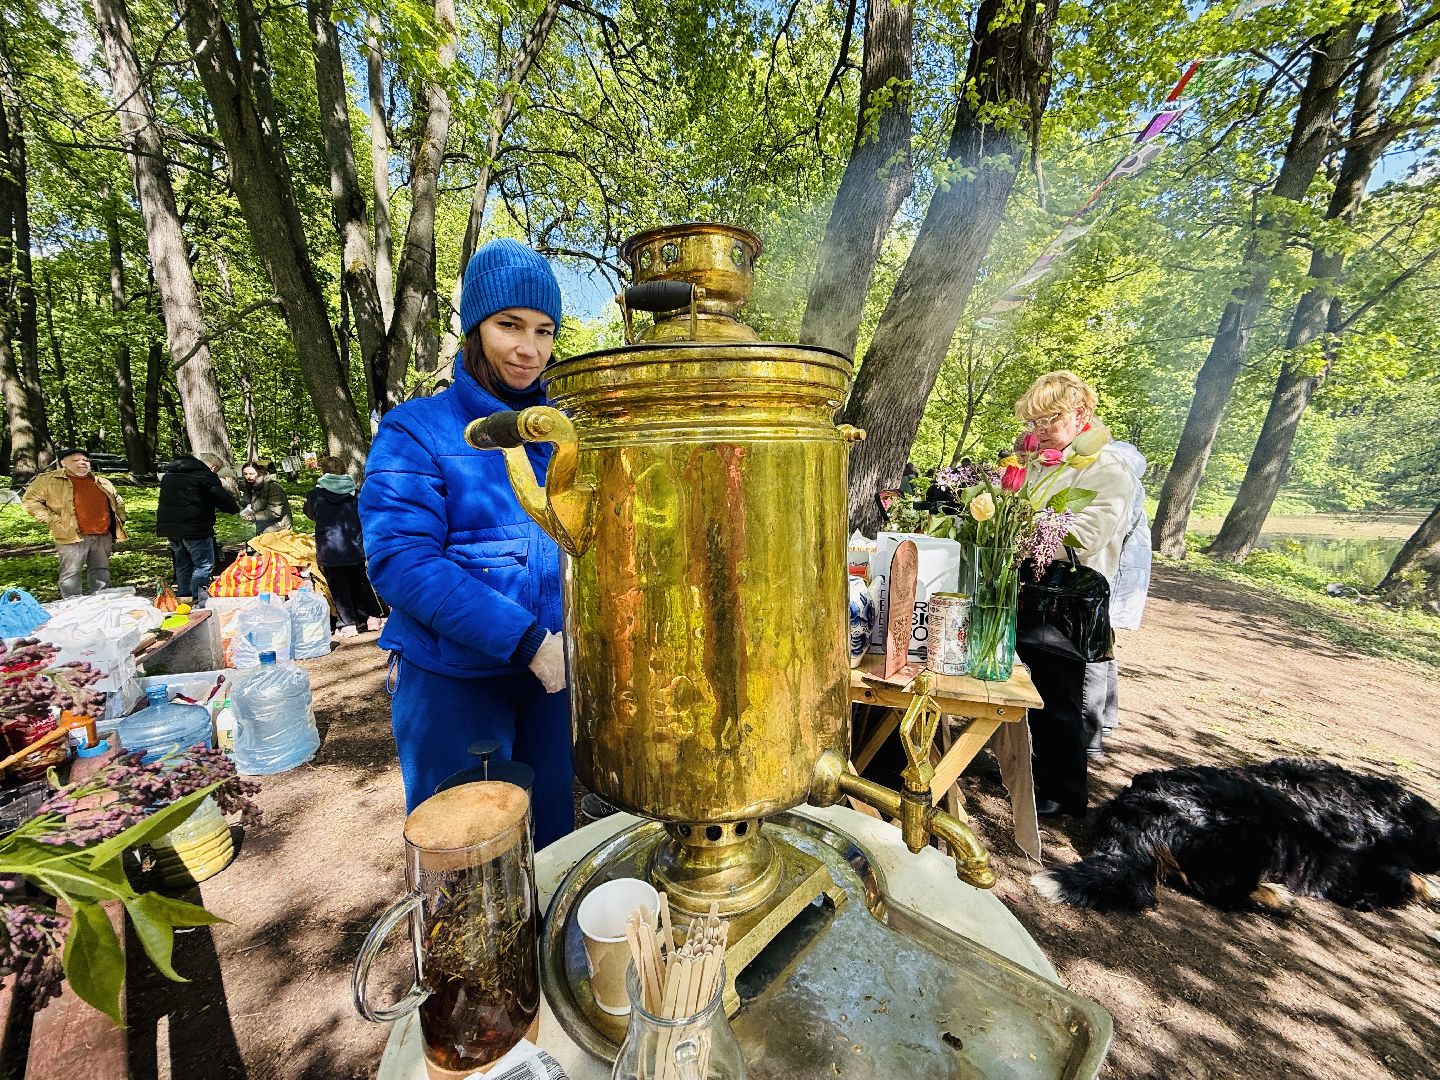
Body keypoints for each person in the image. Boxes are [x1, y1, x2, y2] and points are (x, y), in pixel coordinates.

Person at [359, 238, 571, 848]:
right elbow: (401, 560)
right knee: (467, 856)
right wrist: (526, 641)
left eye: (544, 330)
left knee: (555, 839)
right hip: (453, 683)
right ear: (474, 327)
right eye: (510, 325)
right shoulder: (417, 429)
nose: (529, 349)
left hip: (554, 679)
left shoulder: (563, 433)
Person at [1013, 371, 1138, 818]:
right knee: (1024, 687)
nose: (1039, 430)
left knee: (1059, 698)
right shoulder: (1041, 462)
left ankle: (1063, 793)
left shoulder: (1108, 469)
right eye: (1034, 422)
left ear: (1080, 412)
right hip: (1027, 587)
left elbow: (1086, 536)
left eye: (1049, 419)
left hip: (1067, 599)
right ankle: (1028, 771)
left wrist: (1018, 526)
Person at [1084, 440, 1151, 751]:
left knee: (1093, 649)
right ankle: (1108, 717)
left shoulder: (1116, 477)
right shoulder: (1128, 477)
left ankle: (1091, 733)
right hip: (1119, 572)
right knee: (1104, 644)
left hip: (1111, 573)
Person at [21, 449, 128, 598]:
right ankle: (73, 603)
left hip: (103, 534)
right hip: (71, 535)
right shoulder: (48, 480)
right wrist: (52, 519)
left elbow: (117, 500)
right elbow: (30, 501)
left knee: (101, 570)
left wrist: (121, 517)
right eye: (76, 460)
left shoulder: (102, 482)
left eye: (85, 460)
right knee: (71, 573)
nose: (82, 463)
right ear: (63, 463)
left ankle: (102, 600)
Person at [303, 456, 384, 637]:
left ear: (323, 471)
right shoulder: (356, 493)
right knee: (360, 581)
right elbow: (365, 514)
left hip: (330, 547)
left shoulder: (315, 495)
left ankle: (349, 623)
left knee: (339, 586)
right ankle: (371, 617)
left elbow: (310, 513)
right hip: (353, 544)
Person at [155, 451, 241, 604]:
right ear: (213, 467)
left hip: (171, 529)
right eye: (217, 471)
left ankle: (184, 598)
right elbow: (224, 501)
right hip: (196, 528)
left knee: (182, 564)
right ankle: (197, 599)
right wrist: (235, 508)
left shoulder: (170, 475)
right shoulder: (204, 476)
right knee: (204, 564)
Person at [239, 460, 293, 534]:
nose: (248, 477)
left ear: (259, 473)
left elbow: (274, 512)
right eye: (245, 474)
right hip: (262, 526)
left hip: (279, 528)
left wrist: (254, 517)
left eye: (251, 473)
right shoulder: (248, 487)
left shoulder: (273, 487)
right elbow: (249, 504)